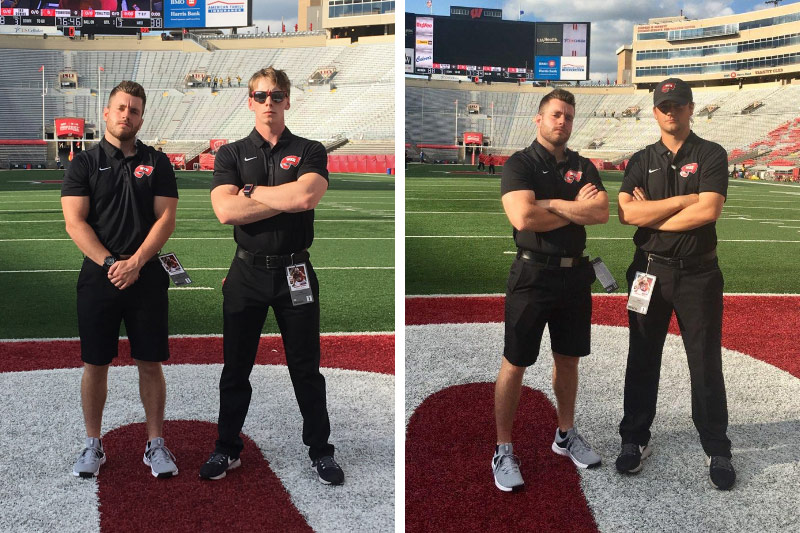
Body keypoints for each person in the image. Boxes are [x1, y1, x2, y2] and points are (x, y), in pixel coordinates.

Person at [199, 67, 344, 485]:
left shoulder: (311, 149)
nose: (268, 103)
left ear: (287, 101)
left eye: (276, 95)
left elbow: (306, 196)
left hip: (295, 269)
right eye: (260, 96)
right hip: (246, 271)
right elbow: (225, 212)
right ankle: (227, 448)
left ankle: (320, 450)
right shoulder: (230, 153)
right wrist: (285, 199)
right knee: (235, 367)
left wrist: (250, 191)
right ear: (249, 101)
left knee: (306, 368)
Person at [615, 78, 735, 490]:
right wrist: (685, 200)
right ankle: (634, 438)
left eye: (678, 104)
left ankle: (716, 444)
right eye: (664, 105)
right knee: (642, 355)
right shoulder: (641, 157)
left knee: (704, 360)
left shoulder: (711, 153)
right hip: (647, 270)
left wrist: (654, 213)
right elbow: (627, 215)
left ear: (690, 108)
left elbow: (709, 210)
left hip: (699, 273)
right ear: (655, 111)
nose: (671, 111)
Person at [61, 80, 179, 479]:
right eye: (120, 108)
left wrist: (136, 262)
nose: (126, 115)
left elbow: (166, 218)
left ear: (142, 117)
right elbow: (74, 223)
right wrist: (113, 262)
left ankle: (156, 443)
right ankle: (93, 443)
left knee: (150, 361)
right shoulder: (84, 163)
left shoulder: (158, 162)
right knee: (96, 363)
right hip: (100, 277)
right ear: (107, 113)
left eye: (134, 110)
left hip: (145, 277)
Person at [492, 89, 609, 492]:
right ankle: (504, 447)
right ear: (538, 120)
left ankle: (565, 433)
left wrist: (551, 204)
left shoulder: (583, 165)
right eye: (556, 115)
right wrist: (571, 205)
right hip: (532, 275)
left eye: (569, 117)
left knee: (569, 359)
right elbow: (524, 217)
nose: (563, 122)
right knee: (515, 361)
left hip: (574, 276)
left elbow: (601, 212)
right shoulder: (520, 163)